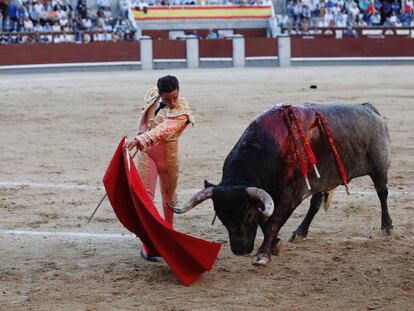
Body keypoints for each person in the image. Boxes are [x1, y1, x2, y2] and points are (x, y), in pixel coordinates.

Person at [127, 75, 194, 261]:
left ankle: (168, 235)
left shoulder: (182, 108)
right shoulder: (152, 96)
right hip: (147, 152)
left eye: (175, 96)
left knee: (169, 197)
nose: (172, 102)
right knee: (145, 196)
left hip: (167, 156)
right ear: (159, 94)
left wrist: (140, 139)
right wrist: (139, 136)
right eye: (167, 99)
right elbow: (145, 120)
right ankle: (148, 242)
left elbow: (163, 130)